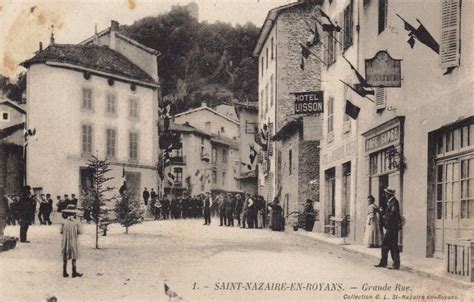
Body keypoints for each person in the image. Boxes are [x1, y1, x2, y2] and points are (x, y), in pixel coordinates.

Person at [375, 188, 402, 270]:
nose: (385, 195)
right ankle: (392, 264)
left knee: (387, 245)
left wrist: (383, 215)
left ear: (389, 194)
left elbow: (392, 214)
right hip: (392, 228)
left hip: (392, 228)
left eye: (386, 193)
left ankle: (388, 263)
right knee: (391, 246)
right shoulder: (391, 202)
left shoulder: (394, 202)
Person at [60, 204, 83, 278]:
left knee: (65, 255)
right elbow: (80, 232)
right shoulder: (76, 222)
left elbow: (61, 231)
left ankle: (64, 271)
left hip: (65, 240)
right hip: (74, 240)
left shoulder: (64, 222)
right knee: (74, 255)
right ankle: (74, 271)